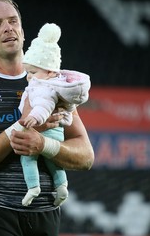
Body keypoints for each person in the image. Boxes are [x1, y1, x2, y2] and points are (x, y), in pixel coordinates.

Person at [0, 0, 94, 236]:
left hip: (46, 212)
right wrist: (23, 129)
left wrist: (43, 144)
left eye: (13, 21)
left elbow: (86, 156)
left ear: (23, 31)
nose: (8, 28)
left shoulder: (53, 79)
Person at [18, 22, 91, 207]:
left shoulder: (43, 87)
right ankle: (62, 186)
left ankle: (33, 187)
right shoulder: (59, 85)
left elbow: (43, 105)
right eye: (28, 72)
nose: (29, 77)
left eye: (32, 72)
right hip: (57, 135)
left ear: (50, 71)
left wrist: (35, 120)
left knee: (27, 157)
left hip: (45, 133)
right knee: (54, 164)